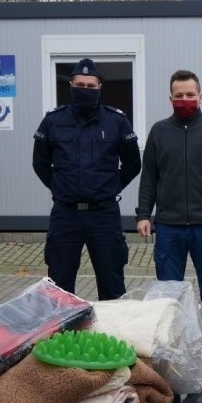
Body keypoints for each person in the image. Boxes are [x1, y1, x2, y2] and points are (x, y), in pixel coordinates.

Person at [135, 69, 202, 339]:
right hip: (168, 228)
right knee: (168, 295)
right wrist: (143, 214)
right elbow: (149, 177)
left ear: (200, 96)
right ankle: (172, 346)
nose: (185, 99)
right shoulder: (159, 132)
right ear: (170, 98)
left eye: (190, 95)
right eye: (179, 95)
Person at [32, 58, 141, 300]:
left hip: (104, 215)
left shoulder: (117, 121)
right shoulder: (53, 121)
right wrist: (60, 187)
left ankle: (111, 335)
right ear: (70, 85)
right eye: (80, 84)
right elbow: (39, 163)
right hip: (65, 215)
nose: (85, 89)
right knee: (58, 286)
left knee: (111, 283)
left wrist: (110, 188)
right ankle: (62, 336)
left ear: (100, 87)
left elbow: (133, 164)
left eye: (91, 86)